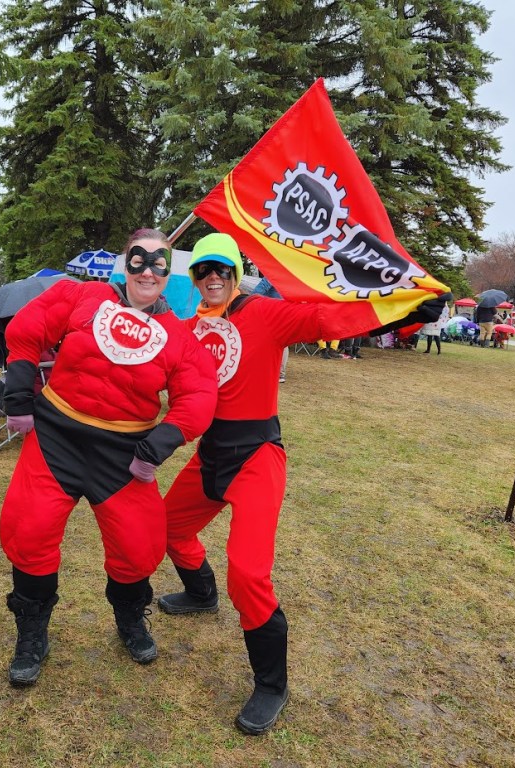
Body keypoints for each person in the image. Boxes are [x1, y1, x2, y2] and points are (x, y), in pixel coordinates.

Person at [156, 232, 443, 736]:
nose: (214, 277)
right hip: (209, 455)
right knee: (165, 526)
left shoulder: (264, 314)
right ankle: (201, 594)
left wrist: (408, 306)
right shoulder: (187, 327)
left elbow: (327, 317)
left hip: (256, 458)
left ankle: (271, 684)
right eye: (204, 270)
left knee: (248, 573)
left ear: (236, 272)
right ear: (194, 277)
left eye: (223, 268)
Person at [0, 228, 218, 687]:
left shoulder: (176, 334)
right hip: (57, 438)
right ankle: (32, 633)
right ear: (125, 262)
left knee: (138, 549)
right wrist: (20, 386)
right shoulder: (84, 296)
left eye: (160, 262)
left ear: (168, 272)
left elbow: (198, 393)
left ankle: (131, 618)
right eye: (139, 259)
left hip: (123, 454)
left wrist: (161, 443)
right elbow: (28, 328)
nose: (148, 271)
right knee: (30, 531)